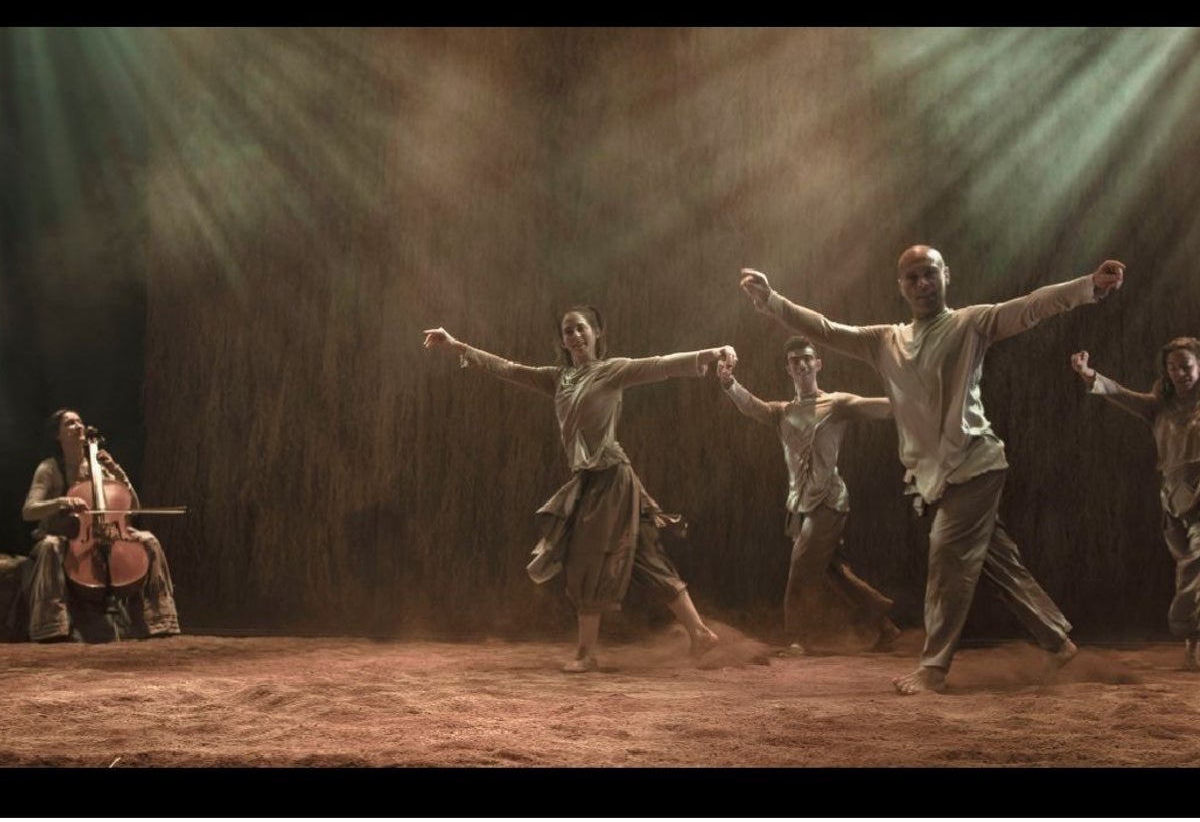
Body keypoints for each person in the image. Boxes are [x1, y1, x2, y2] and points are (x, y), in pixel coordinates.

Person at [740, 245, 1125, 694]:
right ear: (901, 287)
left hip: (977, 465)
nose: (922, 283)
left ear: (947, 275)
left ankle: (934, 667)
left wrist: (1088, 287)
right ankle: (1057, 640)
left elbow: (1031, 306)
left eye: (930, 273)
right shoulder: (884, 340)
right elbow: (825, 329)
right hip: (933, 478)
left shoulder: (970, 323)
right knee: (998, 563)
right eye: (912, 277)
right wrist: (772, 301)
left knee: (947, 555)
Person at [423, 306, 733, 672]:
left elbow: (660, 364)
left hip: (613, 478)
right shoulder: (557, 379)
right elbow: (507, 368)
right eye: (568, 331)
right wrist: (457, 345)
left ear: (596, 332)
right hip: (593, 481)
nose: (575, 336)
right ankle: (699, 634)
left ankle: (587, 655)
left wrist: (711, 354)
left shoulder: (612, 370)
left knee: (587, 558)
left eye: (581, 329)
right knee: (644, 558)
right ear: (563, 340)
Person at [717, 335, 900, 655]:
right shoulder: (782, 412)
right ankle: (884, 625)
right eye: (794, 360)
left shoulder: (837, 404)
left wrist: (913, 400)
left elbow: (880, 408)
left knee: (801, 566)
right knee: (835, 572)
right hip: (799, 506)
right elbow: (753, 407)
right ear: (788, 369)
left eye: (807, 358)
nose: (801, 363)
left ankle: (799, 639)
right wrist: (729, 382)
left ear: (818, 364)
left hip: (828, 501)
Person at [1070, 339, 1200, 671]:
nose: (1180, 373)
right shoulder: (1160, 407)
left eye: (1186, 365)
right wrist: (1088, 374)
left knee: (1196, 567)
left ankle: (1182, 621)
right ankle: (1192, 646)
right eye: (1173, 367)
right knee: (1187, 566)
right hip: (1173, 500)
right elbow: (1120, 394)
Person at [20, 408, 181, 643]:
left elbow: (131, 507)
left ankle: (160, 619)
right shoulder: (50, 468)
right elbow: (29, 511)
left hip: (104, 532)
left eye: (80, 422)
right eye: (70, 424)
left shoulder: (99, 468)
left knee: (149, 540)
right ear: (58, 435)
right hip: (62, 535)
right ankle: (51, 625)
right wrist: (61, 501)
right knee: (50, 546)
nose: (78, 426)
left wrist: (117, 471)